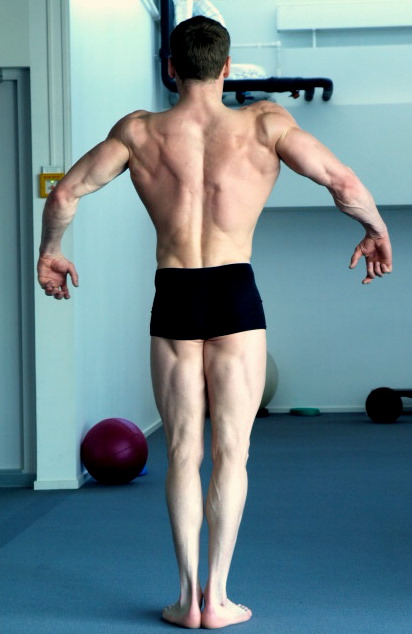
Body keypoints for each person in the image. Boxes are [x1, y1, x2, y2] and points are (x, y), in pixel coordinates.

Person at [37, 15, 392, 630]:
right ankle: (219, 598)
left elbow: (64, 194)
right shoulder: (265, 124)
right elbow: (342, 181)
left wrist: (51, 251)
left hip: (174, 292)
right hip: (234, 292)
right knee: (233, 450)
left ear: (170, 67)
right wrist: (376, 229)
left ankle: (184, 599)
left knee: (182, 451)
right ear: (226, 67)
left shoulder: (138, 132)